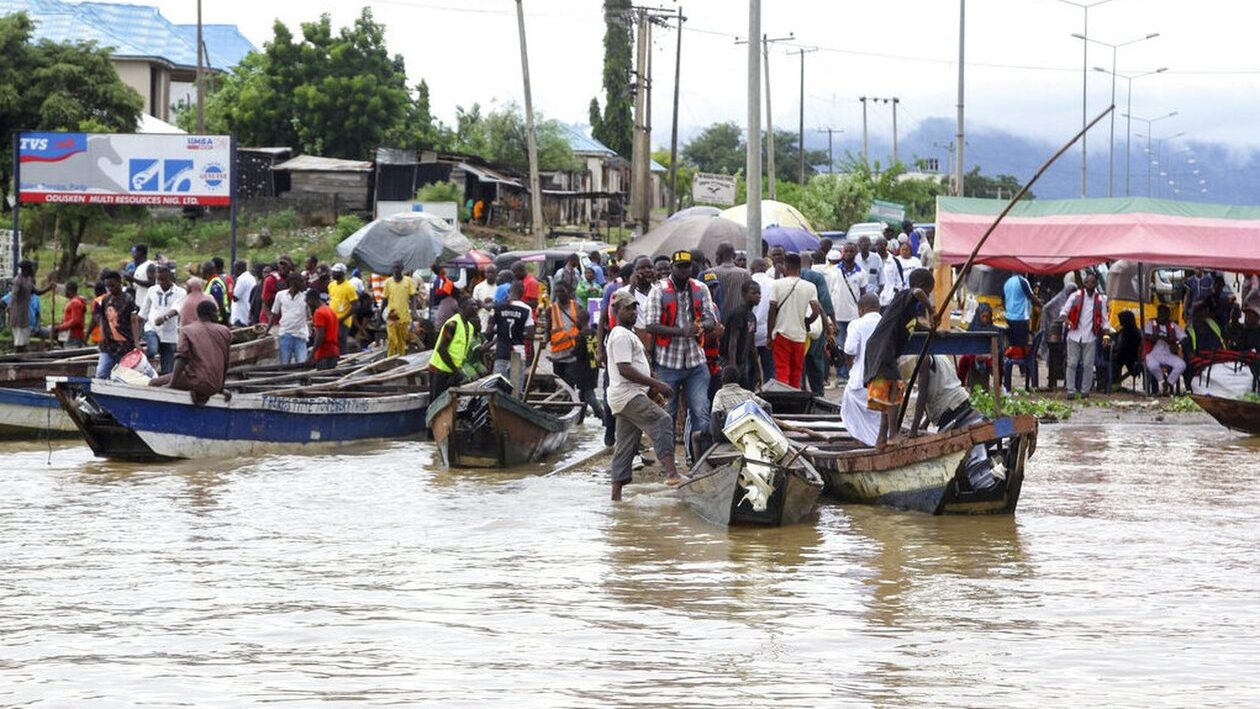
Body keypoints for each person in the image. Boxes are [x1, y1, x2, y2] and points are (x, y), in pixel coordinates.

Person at [606, 290, 684, 500]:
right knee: (662, 420)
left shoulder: (627, 334)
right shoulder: (620, 335)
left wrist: (651, 386)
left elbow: (635, 366)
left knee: (625, 446)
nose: (632, 312)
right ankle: (671, 474)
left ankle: (616, 499)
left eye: (634, 308)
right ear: (616, 311)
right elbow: (625, 369)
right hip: (628, 394)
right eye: (627, 308)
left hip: (624, 396)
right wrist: (657, 383)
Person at [643, 250, 717, 447]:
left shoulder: (700, 288)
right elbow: (650, 325)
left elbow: (711, 319)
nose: (684, 270)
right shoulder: (658, 290)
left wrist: (702, 326)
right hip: (667, 363)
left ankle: (700, 457)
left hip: (696, 361)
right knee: (668, 413)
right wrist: (682, 331)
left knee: (701, 411)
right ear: (672, 268)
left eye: (687, 266)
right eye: (680, 267)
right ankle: (667, 458)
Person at [863, 269, 936, 449]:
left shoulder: (908, 310)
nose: (927, 296)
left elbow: (913, 325)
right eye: (928, 292)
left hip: (881, 350)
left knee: (888, 394)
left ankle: (882, 438)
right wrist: (931, 309)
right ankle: (893, 435)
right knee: (895, 388)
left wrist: (934, 331)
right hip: (882, 349)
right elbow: (917, 292)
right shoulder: (905, 295)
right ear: (922, 286)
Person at [148, 300, 232, 405]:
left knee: (153, 383)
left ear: (198, 314)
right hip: (215, 386)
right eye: (216, 313)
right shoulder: (225, 331)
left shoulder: (187, 330)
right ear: (212, 314)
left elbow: (181, 358)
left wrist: (172, 384)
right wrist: (220, 388)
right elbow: (226, 363)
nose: (217, 316)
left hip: (196, 381)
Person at [766, 253, 823, 388]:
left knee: (782, 369)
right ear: (799, 267)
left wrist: (769, 335)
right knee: (796, 372)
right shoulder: (810, 286)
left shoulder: (777, 284)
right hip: (800, 336)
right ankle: (795, 396)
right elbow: (816, 311)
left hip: (781, 334)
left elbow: (772, 311)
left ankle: (784, 396)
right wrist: (807, 322)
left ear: (786, 266)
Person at [842, 293, 884, 447]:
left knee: (851, 414)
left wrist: (850, 368)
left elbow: (850, 350)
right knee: (878, 419)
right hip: (882, 382)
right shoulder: (886, 323)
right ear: (878, 308)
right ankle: (878, 444)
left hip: (859, 383)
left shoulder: (857, 324)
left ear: (861, 310)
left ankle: (861, 443)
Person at [1063, 273, 1108, 397]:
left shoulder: (1101, 300)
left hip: (1090, 336)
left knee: (1088, 365)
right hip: (1074, 335)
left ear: (1096, 284)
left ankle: (1085, 391)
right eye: (1088, 282)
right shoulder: (1075, 296)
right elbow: (1063, 312)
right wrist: (1067, 321)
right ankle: (1070, 390)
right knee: (1072, 363)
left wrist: (1106, 335)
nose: (1090, 285)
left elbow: (1105, 320)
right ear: (1084, 283)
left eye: (1093, 282)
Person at [798, 252, 836, 395]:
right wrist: (832, 323)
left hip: (796, 325)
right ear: (812, 262)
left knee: (798, 361)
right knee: (815, 360)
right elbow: (825, 302)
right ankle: (818, 393)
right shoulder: (816, 277)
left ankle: (801, 390)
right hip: (815, 325)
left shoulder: (788, 277)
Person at [429, 297, 479, 404]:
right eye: (472, 305)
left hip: (453, 371)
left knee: (452, 404)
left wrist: (456, 371)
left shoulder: (470, 327)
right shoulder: (452, 324)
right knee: (437, 404)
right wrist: (456, 371)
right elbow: (441, 349)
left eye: (476, 305)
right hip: (440, 370)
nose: (476, 308)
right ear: (462, 307)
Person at [138, 265, 186, 376]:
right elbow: (143, 312)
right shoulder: (152, 290)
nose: (161, 282)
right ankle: (146, 366)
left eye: (163, 279)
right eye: (158, 279)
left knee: (167, 370)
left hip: (169, 333)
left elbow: (176, 309)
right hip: (152, 328)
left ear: (170, 277)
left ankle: (162, 382)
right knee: (152, 350)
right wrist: (136, 338)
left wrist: (165, 318)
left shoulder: (180, 292)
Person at [829, 243, 867, 382]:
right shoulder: (833, 271)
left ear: (856, 253)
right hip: (837, 315)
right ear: (842, 252)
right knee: (839, 345)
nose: (849, 254)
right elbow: (829, 292)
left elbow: (863, 294)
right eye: (846, 251)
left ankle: (852, 373)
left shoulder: (861, 273)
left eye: (852, 251)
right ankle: (841, 374)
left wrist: (862, 313)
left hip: (854, 315)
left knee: (852, 345)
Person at [488, 281, 534, 391]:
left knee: (498, 388)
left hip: (501, 352)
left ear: (509, 291)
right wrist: (518, 333)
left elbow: (489, 331)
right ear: (522, 293)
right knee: (516, 389)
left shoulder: (497, 307)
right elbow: (530, 334)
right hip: (518, 353)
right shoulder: (527, 309)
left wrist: (499, 331)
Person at [92, 270, 139, 378]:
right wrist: (102, 336)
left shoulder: (128, 299)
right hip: (108, 346)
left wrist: (136, 341)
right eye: (108, 286)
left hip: (124, 346)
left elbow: (134, 320)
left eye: (112, 286)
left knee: (123, 376)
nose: (110, 289)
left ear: (119, 282)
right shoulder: (105, 300)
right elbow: (102, 319)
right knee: (101, 373)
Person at [720, 279, 761, 390]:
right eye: (753, 293)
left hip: (743, 362)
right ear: (743, 294)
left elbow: (752, 344)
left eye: (759, 293)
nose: (758, 296)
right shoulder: (738, 314)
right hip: (730, 361)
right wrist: (732, 367)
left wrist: (757, 369)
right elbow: (733, 341)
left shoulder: (752, 317)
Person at [8, 260, 51, 352]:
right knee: (19, 341)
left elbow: (37, 292)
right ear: (26, 269)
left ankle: (22, 357)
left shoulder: (29, 280)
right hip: (18, 315)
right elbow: (14, 294)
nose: (33, 269)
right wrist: (10, 305)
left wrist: (49, 288)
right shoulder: (18, 281)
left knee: (24, 341)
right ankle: (18, 358)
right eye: (31, 268)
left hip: (25, 315)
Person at [1143, 304, 1187, 395]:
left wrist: (1177, 344)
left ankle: (1169, 383)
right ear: (1158, 313)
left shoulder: (1172, 325)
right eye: (1160, 313)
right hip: (1153, 353)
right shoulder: (1151, 323)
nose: (1162, 315)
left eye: (1165, 313)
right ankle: (1162, 381)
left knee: (1181, 365)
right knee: (1152, 365)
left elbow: (1184, 338)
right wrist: (1156, 337)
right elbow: (1146, 335)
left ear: (1168, 315)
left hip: (1168, 354)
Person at [703, 241, 752, 321]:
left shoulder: (710, 273)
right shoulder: (745, 274)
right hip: (738, 321)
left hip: (717, 321)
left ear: (718, 256)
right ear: (734, 256)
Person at [268, 274, 310, 365]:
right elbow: (274, 314)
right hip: (285, 334)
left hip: (300, 335)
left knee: (302, 364)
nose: (304, 284)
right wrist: (267, 331)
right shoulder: (280, 295)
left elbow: (310, 315)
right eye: (301, 281)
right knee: (284, 365)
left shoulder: (305, 297)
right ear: (293, 283)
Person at [383, 260, 418, 356]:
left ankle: (401, 357)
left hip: (404, 316)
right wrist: (380, 317)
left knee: (402, 340)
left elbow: (413, 297)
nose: (396, 270)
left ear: (402, 269)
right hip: (391, 316)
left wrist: (414, 311)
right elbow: (384, 299)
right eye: (394, 268)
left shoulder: (408, 281)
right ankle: (390, 358)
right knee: (392, 339)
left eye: (398, 268)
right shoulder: (388, 282)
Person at [750, 257, 776, 383]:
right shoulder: (774, 283)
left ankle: (750, 391)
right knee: (769, 370)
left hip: (750, 333)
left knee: (749, 369)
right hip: (768, 332)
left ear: (752, 269)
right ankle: (769, 392)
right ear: (766, 269)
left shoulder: (748, 282)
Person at [1003, 271, 1040, 352]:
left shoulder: (1007, 282)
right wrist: (1041, 304)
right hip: (1021, 318)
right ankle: (1020, 359)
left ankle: (1011, 358)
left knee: (1012, 344)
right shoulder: (1023, 281)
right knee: (1022, 346)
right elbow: (1030, 296)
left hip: (1008, 318)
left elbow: (1003, 299)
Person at [1109, 310, 1144, 389]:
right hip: (1129, 356)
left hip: (1130, 357)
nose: (1120, 322)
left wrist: (1115, 351)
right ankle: (1116, 381)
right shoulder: (1134, 330)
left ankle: (1115, 382)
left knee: (1112, 360)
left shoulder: (1129, 332)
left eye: (1121, 320)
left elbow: (1122, 347)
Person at [326, 263, 357, 352]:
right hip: (332, 319)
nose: (333, 274)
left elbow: (355, 305)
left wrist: (343, 318)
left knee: (341, 343)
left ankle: (343, 358)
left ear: (342, 274)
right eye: (333, 271)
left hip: (342, 322)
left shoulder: (349, 287)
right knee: (332, 343)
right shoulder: (331, 285)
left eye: (335, 272)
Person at [308, 289, 340, 370]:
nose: (308, 306)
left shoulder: (319, 313)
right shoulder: (330, 310)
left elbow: (320, 336)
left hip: (324, 353)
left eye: (308, 302)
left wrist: (312, 354)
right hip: (334, 351)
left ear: (311, 300)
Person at [54, 281, 88, 348]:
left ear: (69, 290)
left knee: (71, 351)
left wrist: (60, 327)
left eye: (65, 290)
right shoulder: (73, 301)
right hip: (70, 334)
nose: (64, 292)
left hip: (73, 335)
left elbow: (75, 321)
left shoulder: (75, 302)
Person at [127, 244, 156, 310]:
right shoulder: (139, 266)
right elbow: (137, 286)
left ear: (140, 253)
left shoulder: (150, 265)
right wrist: (130, 280)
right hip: (140, 304)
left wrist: (133, 279)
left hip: (148, 305)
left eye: (135, 252)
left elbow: (152, 283)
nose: (133, 255)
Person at [472, 263, 499, 331]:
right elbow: (474, 304)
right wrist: (484, 304)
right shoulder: (478, 287)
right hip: (482, 321)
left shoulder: (500, 287)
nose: (490, 274)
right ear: (485, 273)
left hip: (497, 323)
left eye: (492, 272)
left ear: (496, 273)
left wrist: (492, 302)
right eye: (488, 272)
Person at [229, 259, 256, 327]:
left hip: (240, 317)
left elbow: (235, 297)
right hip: (247, 313)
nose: (234, 271)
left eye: (235, 268)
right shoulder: (251, 277)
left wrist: (232, 284)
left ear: (239, 268)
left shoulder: (242, 279)